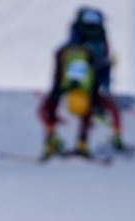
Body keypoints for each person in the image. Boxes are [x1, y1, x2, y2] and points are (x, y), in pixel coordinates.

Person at [37, 7, 124, 159]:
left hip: (65, 83)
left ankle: (51, 141)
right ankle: (82, 143)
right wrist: (105, 88)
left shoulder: (63, 53)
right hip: (89, 86)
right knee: (90, 111)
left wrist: (54, 94)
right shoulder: (89, 91)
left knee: (46, 109)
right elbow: (103, 71)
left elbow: (56, 80)